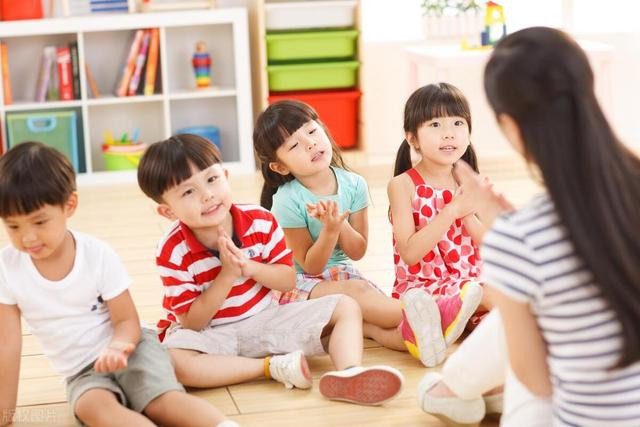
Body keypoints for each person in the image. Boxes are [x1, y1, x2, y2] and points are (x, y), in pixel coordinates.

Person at [420, 27, 640, 426]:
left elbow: (537, 381)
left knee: (525, 315)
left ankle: (448, 391)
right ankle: (453, 391)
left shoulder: (521, 237)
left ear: (511, 126)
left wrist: (510, 238)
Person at [136, 134, 404, 405]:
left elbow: (287, 281)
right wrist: (226, 276)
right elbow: (192, 322)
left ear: (225, 176)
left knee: (346, 306)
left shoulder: (260, 221)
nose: (207, 195)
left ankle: (349, 373)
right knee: (175, 361)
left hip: (268, 320)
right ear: (168, 212)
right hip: (212, 334)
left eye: (212, 179)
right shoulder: (172, 249)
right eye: (188, 192)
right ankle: (272, 367)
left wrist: (249, 268)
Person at [0, 142, 235, 427]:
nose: (28, 237)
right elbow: (7, 344)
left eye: (39, 222)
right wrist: (5, 412)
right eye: (13, 226)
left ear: (69, 206)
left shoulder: (96, 254)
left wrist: (119, 346)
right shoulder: (7, 267)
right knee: (96, 410)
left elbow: (126, 320)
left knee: (160, 401)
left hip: (133, 348)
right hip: (81, 372)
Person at [253, 100, 450, 367]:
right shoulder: (287, 201)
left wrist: (340, 225)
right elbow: (310, 267)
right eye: (294, 145)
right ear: (280, 167)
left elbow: (357, 251)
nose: (310, 143)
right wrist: (330, 230)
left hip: (341, 274)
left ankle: (425, 341)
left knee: (370, 321)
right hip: (299, 286)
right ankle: (441, 312)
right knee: (358, 292)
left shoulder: (354, 184)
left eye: (311, 131)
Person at [387, 83, 487, 348]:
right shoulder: (403, 185)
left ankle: (460, 321)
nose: (449, 134)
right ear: (412, 139)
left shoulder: (469, 180)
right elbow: (410, 253)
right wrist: (452, 210)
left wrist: (468, 214)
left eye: (457, 123)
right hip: (425, 288)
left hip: (472, 281)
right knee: (497, 297)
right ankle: (445, 316)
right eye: (435, 125)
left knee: (513, 305)